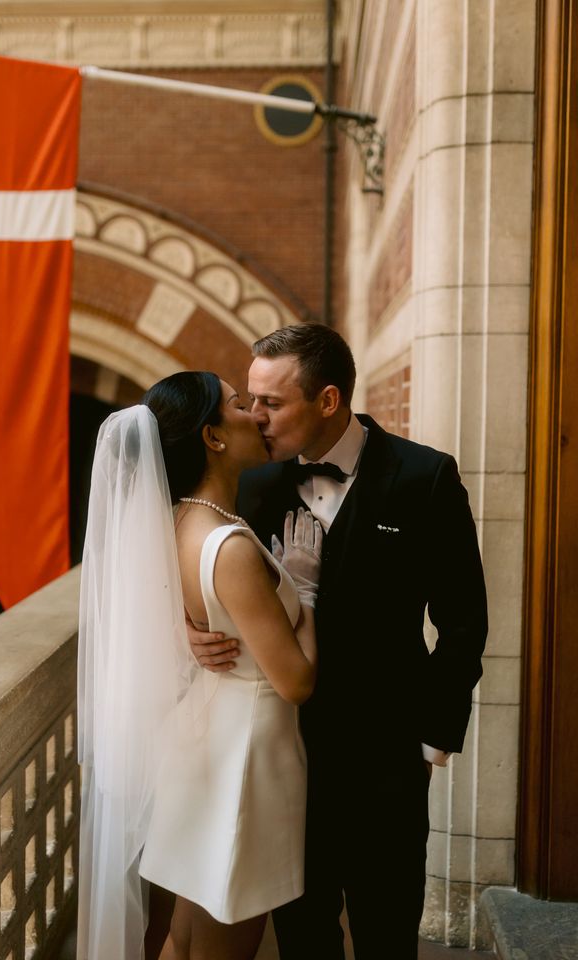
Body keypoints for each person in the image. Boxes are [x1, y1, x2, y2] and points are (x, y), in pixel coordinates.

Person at [188, 324, 488, 960]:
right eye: (250, 400)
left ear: (327, 400)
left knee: (386, 929)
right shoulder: (253, 488)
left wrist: (431, 741)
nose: (256, 416)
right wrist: (193, 628)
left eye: (272, 403)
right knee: (302, 934)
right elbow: (206, 574)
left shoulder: (424, 476)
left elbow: (463, 621)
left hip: (389, 757)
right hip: (287, 752)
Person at [76, 371, 322, 960]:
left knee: (183, 937)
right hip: (245, 760)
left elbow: (156, 609)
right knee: (224, 943)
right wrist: (307, 591)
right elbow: (295, 681)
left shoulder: (178, 522)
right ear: (212, 437)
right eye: (240, 404)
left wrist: (185, 629)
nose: (255, 414)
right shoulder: (229, 546)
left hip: (200, 743)